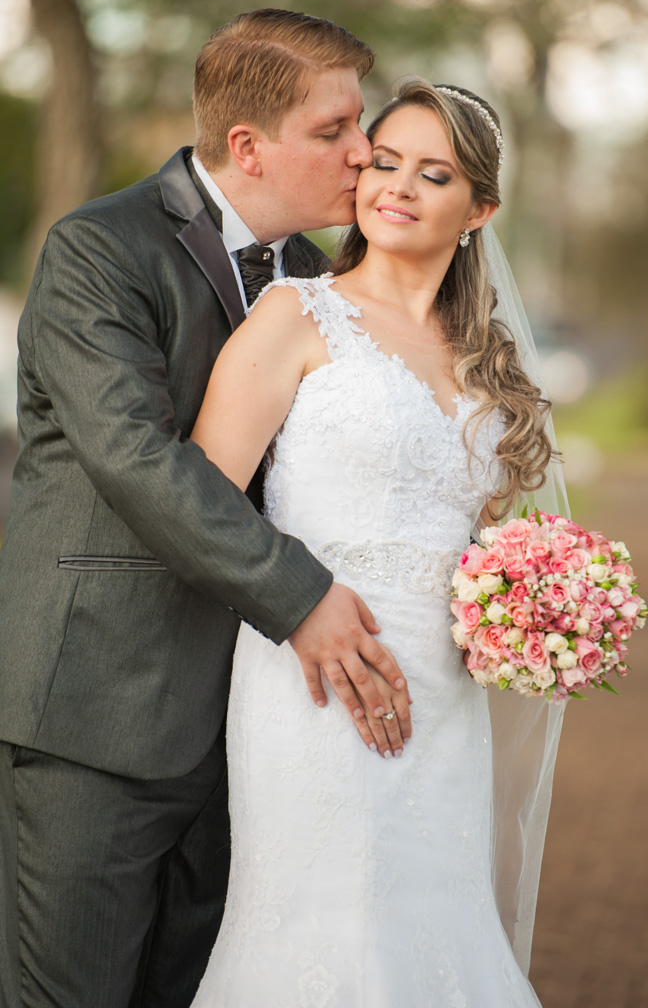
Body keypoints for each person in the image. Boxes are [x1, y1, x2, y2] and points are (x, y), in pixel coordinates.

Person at [0, 9, 412, 1008]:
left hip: (255, 729)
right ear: (247, 147)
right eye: (333, 132)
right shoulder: (99, 250)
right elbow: (136, 459)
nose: (365, 156)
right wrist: (302, 595)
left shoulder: (320, 283)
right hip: (99, 708)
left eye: (361, 128)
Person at [189, 78, 566, 1006]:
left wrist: (533, 603)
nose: (395, 186)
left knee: (434, 916)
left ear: (478, 210)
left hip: (444, 691)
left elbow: (479, 530)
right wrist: (296, 607)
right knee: (327, 919)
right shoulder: (296, 316)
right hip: (309, 671)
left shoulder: (490, 362)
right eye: (383, 162)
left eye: (432, 174)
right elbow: (198, 499)